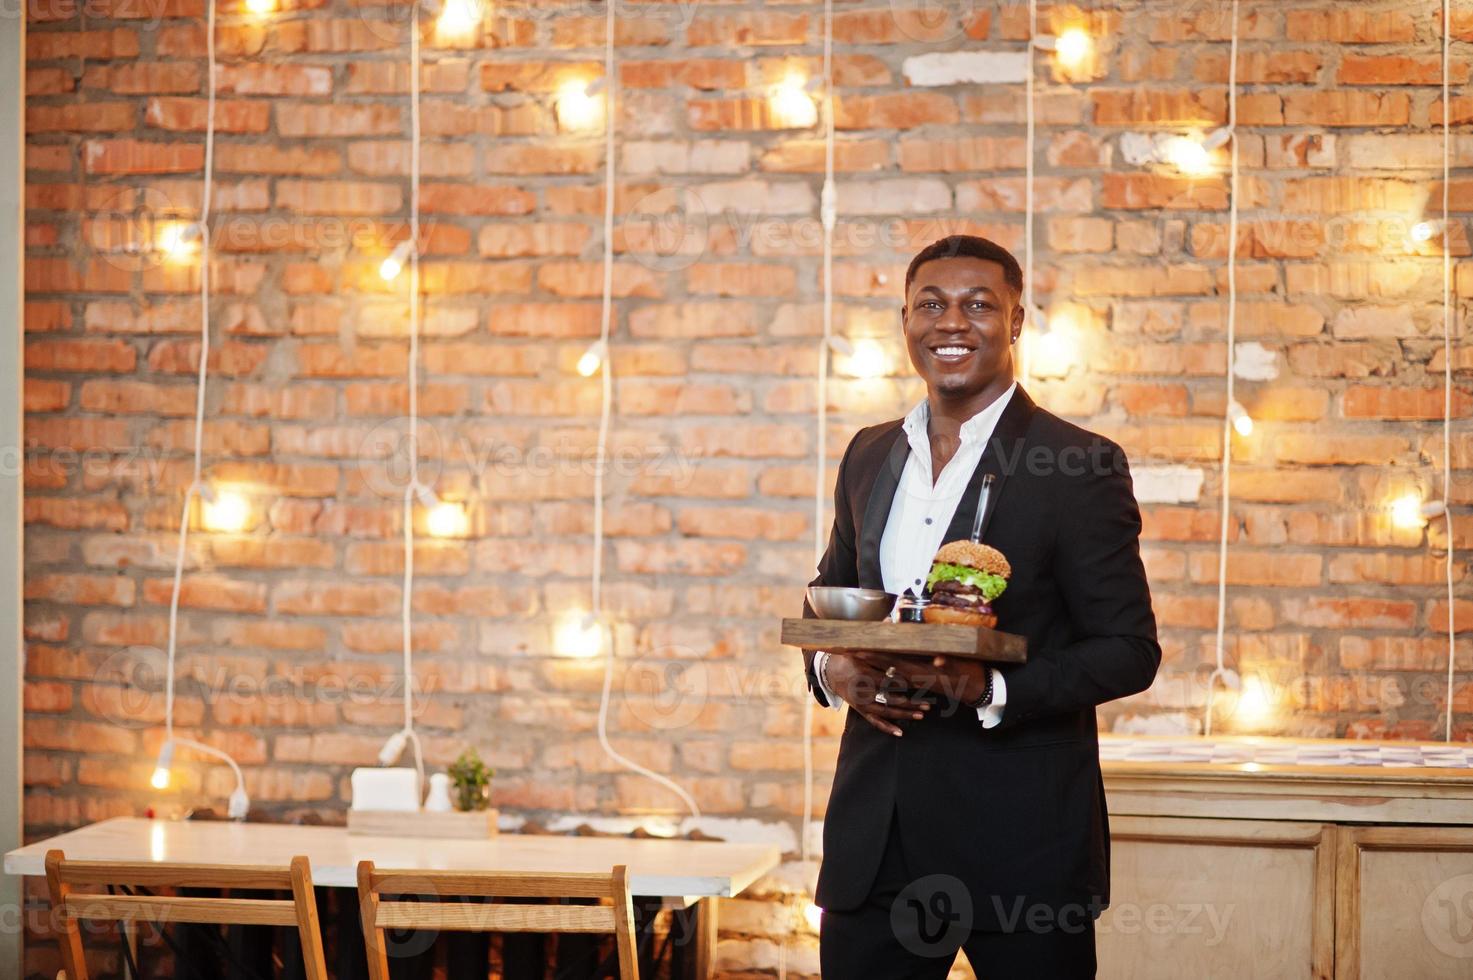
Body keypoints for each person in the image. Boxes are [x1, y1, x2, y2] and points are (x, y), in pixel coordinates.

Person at [803, 235, 1161, 978]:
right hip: (876, 841)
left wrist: (991, 687)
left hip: (1020, 844)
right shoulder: (869, 453)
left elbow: (1128, 649)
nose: (950, 323)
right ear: (903, 320)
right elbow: (831, 597)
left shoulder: (1077, 464)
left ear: (1016, 321)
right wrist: (829, 665)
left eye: (977, 305)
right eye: (930, 305)